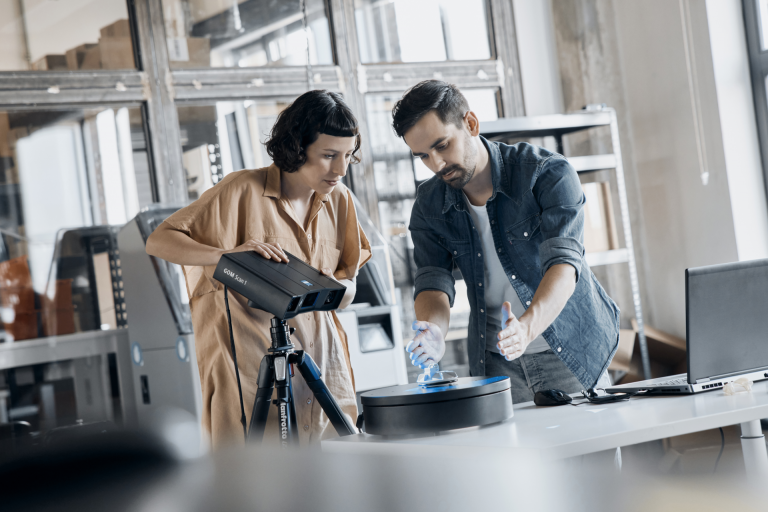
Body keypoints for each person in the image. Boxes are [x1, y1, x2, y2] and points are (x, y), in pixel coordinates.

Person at [146, 90, 371, 447]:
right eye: (329, 155)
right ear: (297, 147)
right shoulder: (240, 189)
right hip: (252, 370)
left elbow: (350, 277)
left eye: (347, 155)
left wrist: (340, 291)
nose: (340, 170)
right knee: (258, 475)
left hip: (323, 368)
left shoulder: (339, 199)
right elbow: (159, 240)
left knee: (335, 472)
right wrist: (225, 256)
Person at [393, 80, 619, 404]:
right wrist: (434, 331)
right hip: (496, 363)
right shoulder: (429, 205)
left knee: (588, 438)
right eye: (423, 156)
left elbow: (565, 264)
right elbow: (433, 280)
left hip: (568, 350)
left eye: (442, 145)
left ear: (471, 124)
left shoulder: (546, 173)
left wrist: (526, 329)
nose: (436, 164)